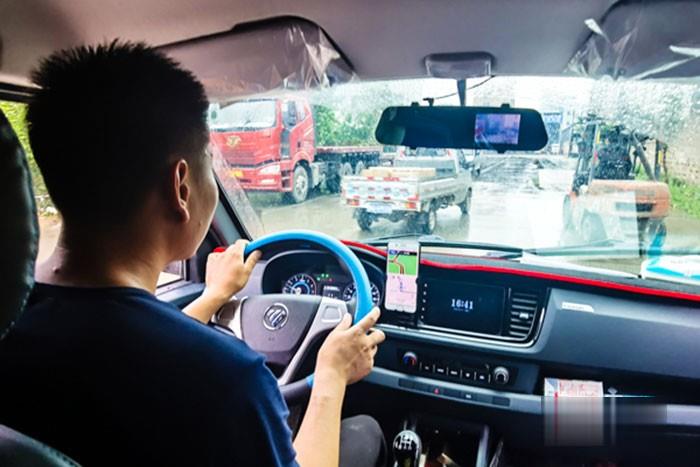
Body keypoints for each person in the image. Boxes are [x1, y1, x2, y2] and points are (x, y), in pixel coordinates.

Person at [0, 41, 386, 467]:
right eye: (210, 160)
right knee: (365, 432)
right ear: (180, 187)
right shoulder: (227, 380)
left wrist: (211, 298)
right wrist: (331, 375)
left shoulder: (10, 323)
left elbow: (125, 349)